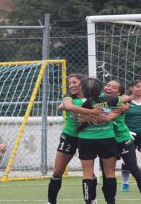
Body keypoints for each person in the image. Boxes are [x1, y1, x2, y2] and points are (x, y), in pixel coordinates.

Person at [47, 74, 101, 204]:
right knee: (58, 171)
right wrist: (85, 113)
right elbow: (64, 106)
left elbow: (112, 102)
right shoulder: (69, 97)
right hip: (69, 136)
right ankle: (51, 201)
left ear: (83, 83)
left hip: (88, 137)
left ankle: (92, 199)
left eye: (74, 82)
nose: (71, 85)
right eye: (69, 83)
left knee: (89, 173)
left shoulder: (95, 98)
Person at [103, 80, 141, 204]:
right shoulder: (99, 100)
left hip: (123, 139)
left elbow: (126, 98)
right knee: (108, 173)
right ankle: (110, 200)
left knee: (133, 169)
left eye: (114, 87)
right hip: (107, 141)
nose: (109, 88)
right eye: (108, 85)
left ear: (119, 92)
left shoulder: (121, 101)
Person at [76, 77, 122, 204]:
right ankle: (111, 202)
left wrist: (85, 117)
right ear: (101, 89)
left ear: (83, 89)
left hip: (86, 139)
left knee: (87, 174)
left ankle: (89, 202)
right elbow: (126, 99)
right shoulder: (110, 101)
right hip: (106, 138)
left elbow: (73, 114)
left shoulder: (77, 103)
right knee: (110, 173)